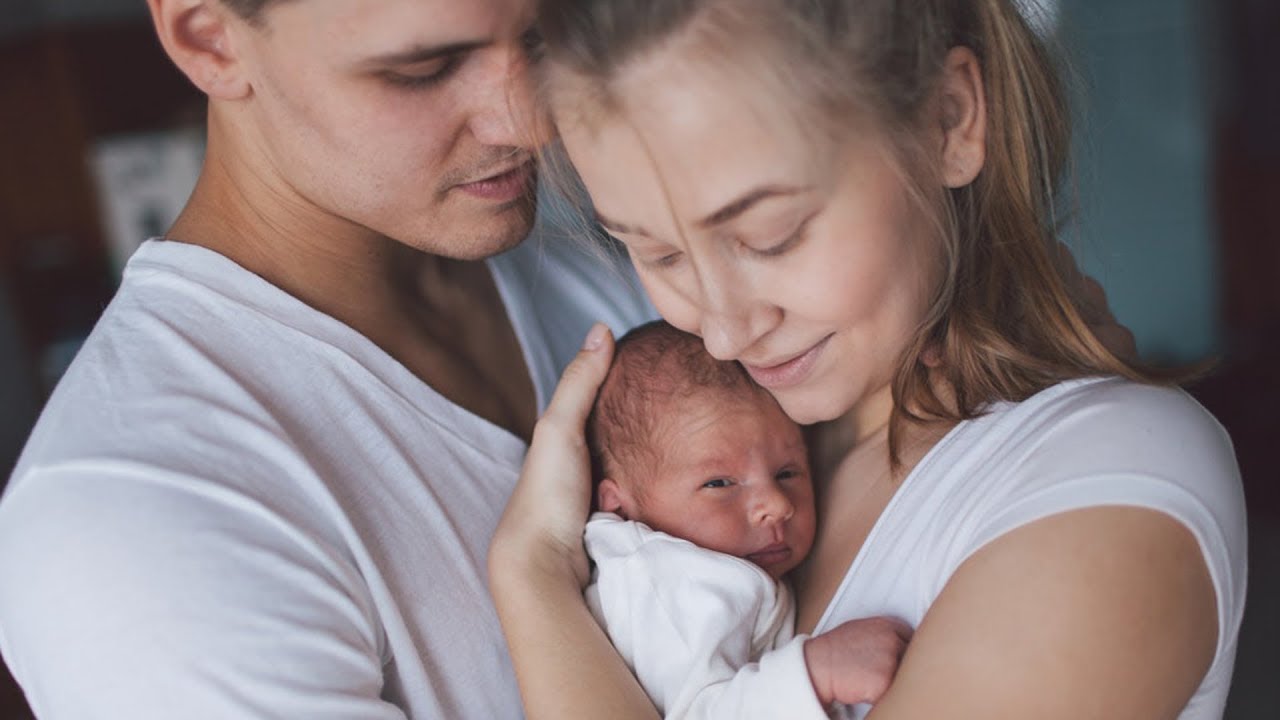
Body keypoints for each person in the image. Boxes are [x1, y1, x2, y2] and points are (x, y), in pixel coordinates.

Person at [488, 2, 1248, 719]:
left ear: (948, 120)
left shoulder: (1105, 484)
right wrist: (533, 564)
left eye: (772, 235)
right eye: (655, 252)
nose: (723, 332)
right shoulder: (731, 455)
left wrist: (535, 587)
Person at [0, 0, 657, 717]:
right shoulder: (128, 517)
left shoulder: (619, 273)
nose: (532, 122)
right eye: (423, 69)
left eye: (540, 37)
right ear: (209, 38)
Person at [583, 320, 909, 718]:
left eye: (788, 472)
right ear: (620, 508)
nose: (776, 503)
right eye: (719, 483)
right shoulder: (666, 582)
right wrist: (814, 673)